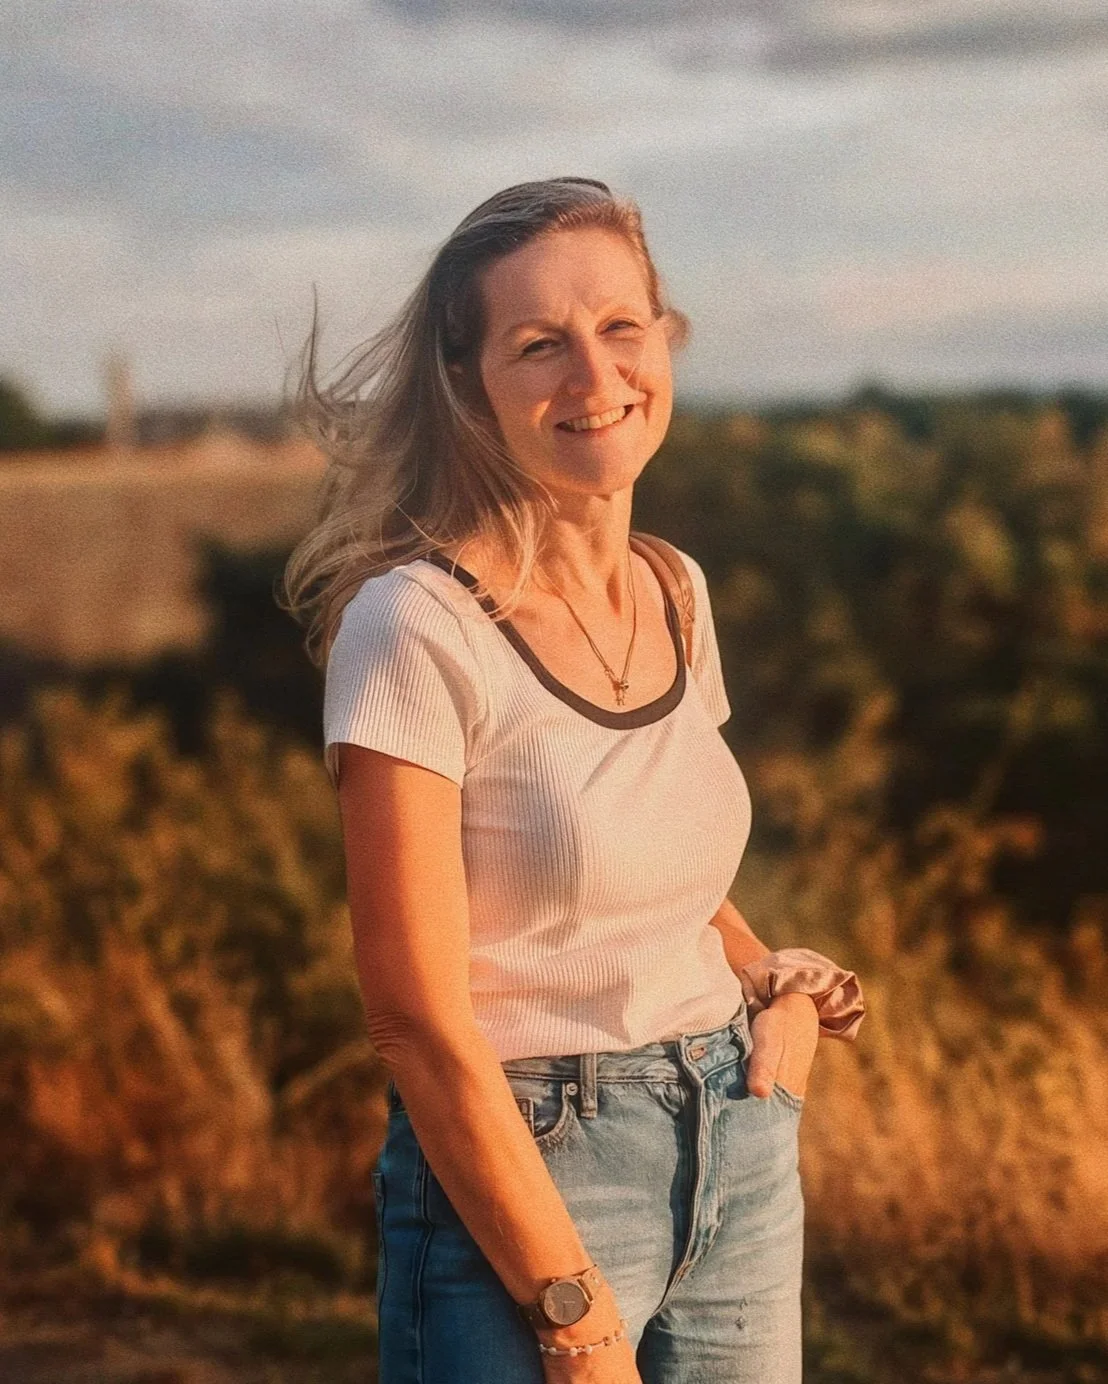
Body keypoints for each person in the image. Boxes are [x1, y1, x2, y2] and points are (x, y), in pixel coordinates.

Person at [282, 176, 864, 1384]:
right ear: (467, 384)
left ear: (666, 341)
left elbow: (663, 867)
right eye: (537, 345)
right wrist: (567, 1306)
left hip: (738, 1144)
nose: (594, 380)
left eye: (620, 329)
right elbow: (415, 1019)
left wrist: (774, 984)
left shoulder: (675, 588)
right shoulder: (413, 627)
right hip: (532, 1165)